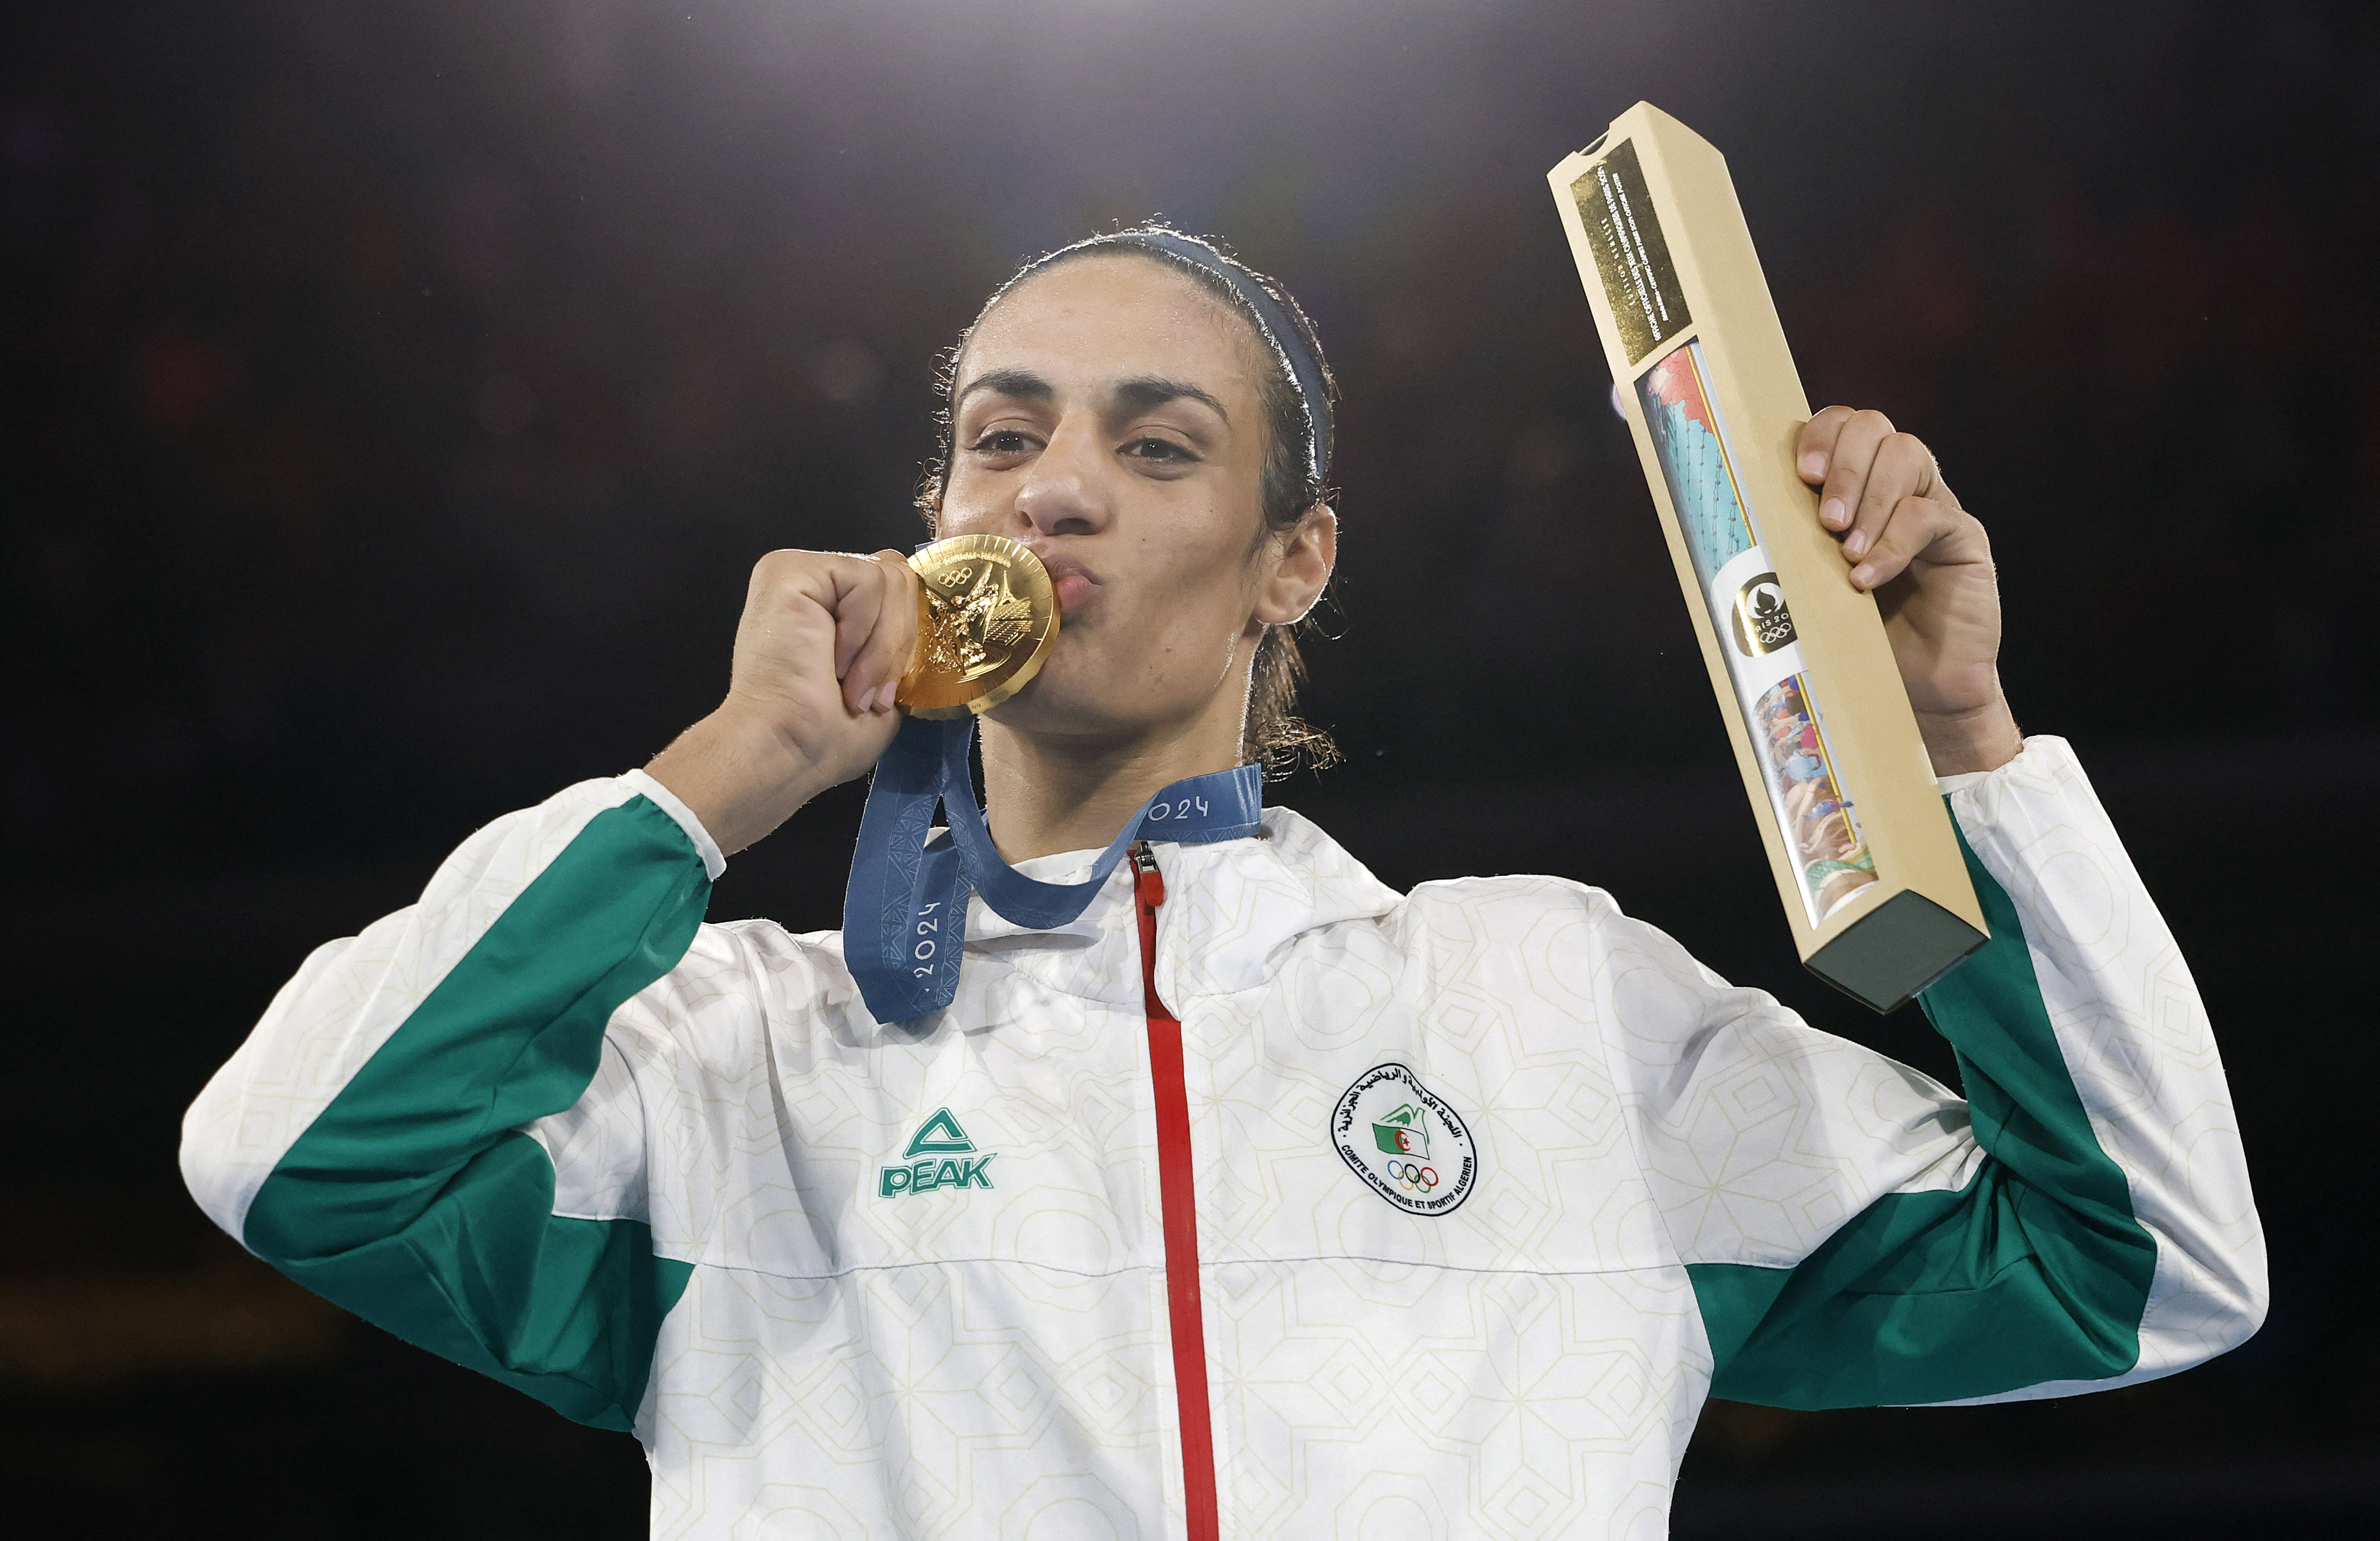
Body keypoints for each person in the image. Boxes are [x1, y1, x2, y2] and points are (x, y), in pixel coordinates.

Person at [181, 224, 2265, 1539]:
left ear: (1297, 564)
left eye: (1158, 446)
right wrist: (722, 782)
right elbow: (294, 1159)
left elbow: (2147, 1271)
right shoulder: (737, 1060)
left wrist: (1964, 756)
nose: (1055, 483)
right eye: (1001, 439)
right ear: (931, 520)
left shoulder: (1550, 1009)